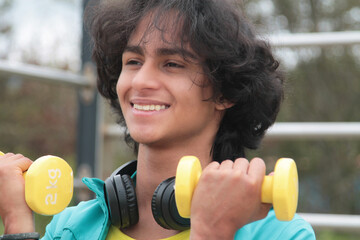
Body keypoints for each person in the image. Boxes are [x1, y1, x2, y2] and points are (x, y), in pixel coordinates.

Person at [0, 0, 315, 239]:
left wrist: (211, 231)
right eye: (134, 61)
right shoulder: (69, 227)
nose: (141, 82)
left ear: (225, 93)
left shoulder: (282, 234)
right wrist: (17, 221)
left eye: (172, 64)